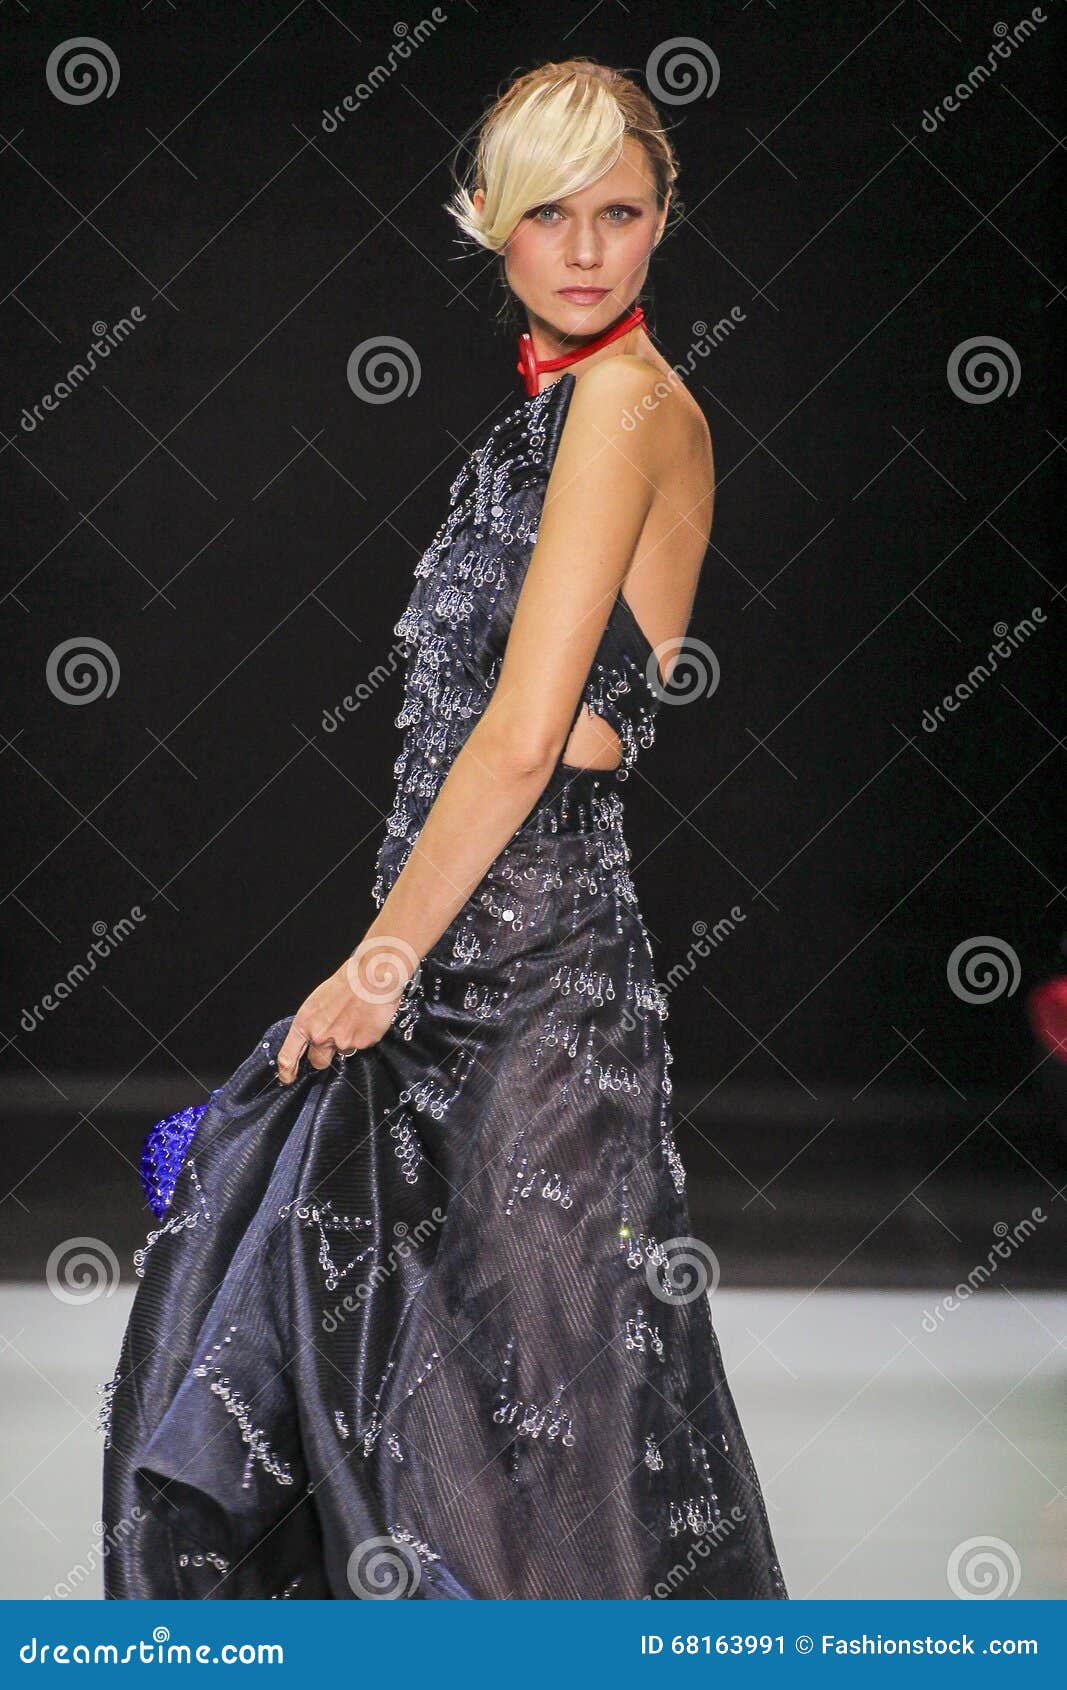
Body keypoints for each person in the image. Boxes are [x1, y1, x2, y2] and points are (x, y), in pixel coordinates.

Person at [99, 57, 788, 1602]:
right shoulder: (546, 422)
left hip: (530, 985)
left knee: (538, 1427)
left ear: (667, 217)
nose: (592, 246)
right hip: (471, 957)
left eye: (624, 210)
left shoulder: (621, 405)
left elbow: (534, 732)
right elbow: (598, 710)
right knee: (445, 1408)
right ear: (487, 222)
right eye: (554, 213)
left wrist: (383, 955)